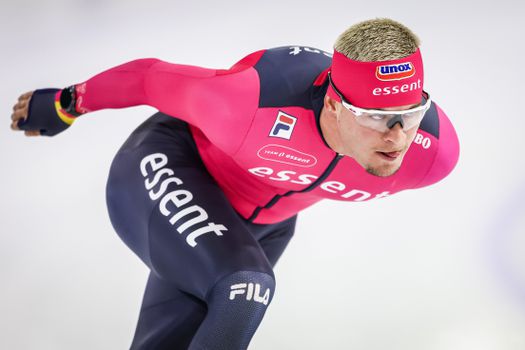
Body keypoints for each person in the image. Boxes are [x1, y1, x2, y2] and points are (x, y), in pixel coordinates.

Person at [10, 18, 459, 350]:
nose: (397, 137)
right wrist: (67, 104)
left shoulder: (429, 156)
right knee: (245, 287)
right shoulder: (248, 103)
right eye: (377, 118)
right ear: (336, 106)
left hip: (259, 226)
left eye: (411, 113)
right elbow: (150, 77)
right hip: (173, 166)